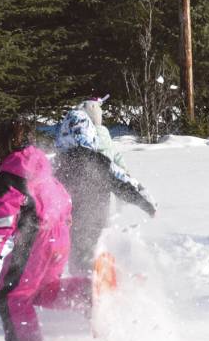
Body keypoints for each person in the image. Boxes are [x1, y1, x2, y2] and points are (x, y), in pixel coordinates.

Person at [0, 116, 91, 341]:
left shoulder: (11, 176)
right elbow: (64, 200)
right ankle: (87, 292)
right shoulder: (41, 168)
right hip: (58, 238)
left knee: (10, 295)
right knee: (41, 291)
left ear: (4, 143)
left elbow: (2, 218)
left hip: (36, 240)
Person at [54, 96, 156, 276]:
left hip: (71, 224)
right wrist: (144, 201)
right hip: (96, 219)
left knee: (81, 257)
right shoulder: (99, 161)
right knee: (89, 253)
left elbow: (39, 191)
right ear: (91, 134)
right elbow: (123, 182)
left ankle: (90, 283)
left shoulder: (59, 165)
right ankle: (99, 282)